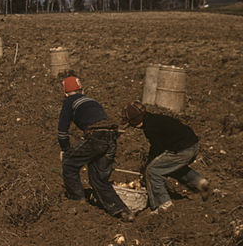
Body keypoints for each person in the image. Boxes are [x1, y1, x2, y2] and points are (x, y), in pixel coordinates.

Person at [57, 75, 134, 222]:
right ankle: (123, 211)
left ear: (65, 93)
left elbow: (62, 132)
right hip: (112, 135)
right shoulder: (92, 101)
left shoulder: (69, 102)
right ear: (82, 90)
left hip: (96, 135)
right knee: (99, 179)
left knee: (69, 163)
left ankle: (77, 202)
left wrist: (65, 150)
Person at [121, 101, 210, 213]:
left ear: (135, 121)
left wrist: (148, 165)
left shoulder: (150, 127)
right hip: (193, 144)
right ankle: (200, 182)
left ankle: (163, 205)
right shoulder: (155, 118)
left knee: (153, 171)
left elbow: (157, 148)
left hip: (183, 149)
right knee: (169, 167)